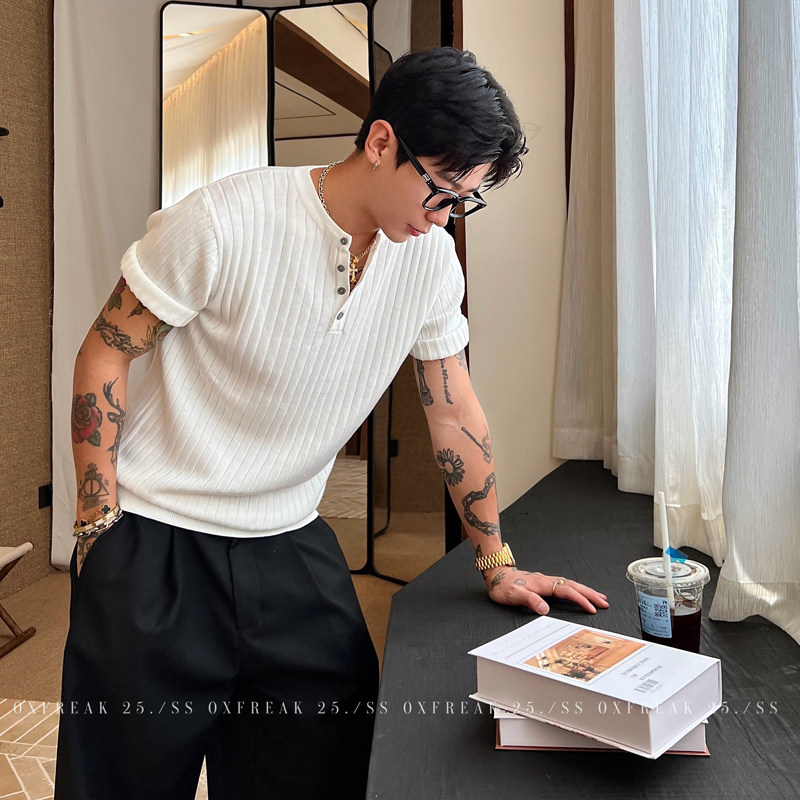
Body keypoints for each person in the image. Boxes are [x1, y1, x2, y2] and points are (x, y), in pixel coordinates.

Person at [55, 47, 608, 800]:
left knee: (330, 769)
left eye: (462, 202)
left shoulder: (430, 264)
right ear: (381, 142)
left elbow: (453, 413)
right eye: (439, 192)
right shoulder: (222, 219)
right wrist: (95, 525)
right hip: (158, 544)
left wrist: (495, 561)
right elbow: (105, 350)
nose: (442, 219)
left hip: (292, 544)